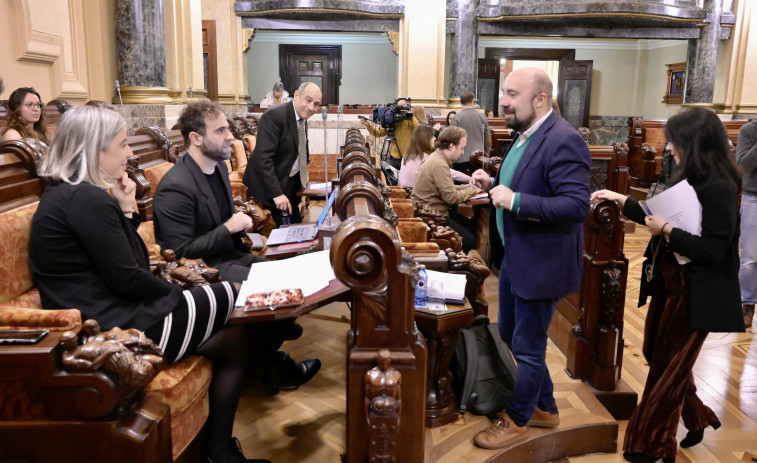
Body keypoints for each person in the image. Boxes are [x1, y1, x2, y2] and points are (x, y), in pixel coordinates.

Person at [28, 105, 272, 463]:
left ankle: (218, 449)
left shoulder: (74, 193)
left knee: (234, 339)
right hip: (109, 326)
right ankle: (225, 441)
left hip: (112, 312)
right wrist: (177, 293)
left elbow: (130, 266)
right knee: (232, 293)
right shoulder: (85, 199)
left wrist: (127, 208)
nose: (130, 154)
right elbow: (130, 274)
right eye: (123, 144)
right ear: (95, 149)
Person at [593, 106, 743, 463]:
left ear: (693, 142)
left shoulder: (720, 186)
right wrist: (623, 201)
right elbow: (664, 213)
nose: (668, 147)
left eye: (674, 140)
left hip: (699, 292)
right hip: (671, 284)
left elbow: (712, 249)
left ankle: (650, 444)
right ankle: (697, 417)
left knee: (669, 366)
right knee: (656, 355)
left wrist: (668, 231)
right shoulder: (692, 174)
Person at [154, 100, 320, 395]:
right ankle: (272, 365)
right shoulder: (175, 186)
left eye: (228, 128)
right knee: (276, 295)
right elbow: (180, 252)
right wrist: (229, 227)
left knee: (295, 283)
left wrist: (241, 226)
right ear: (196, 138)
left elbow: (227, 220)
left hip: (232, 255)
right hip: (206, 270)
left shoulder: (216, 168)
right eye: (220, 130)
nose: (230, 136)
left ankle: (261, 361)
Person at [470, 67, 590, 450]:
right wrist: (493, 182)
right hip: (517, 260)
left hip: (542, 263)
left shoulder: (563, 140)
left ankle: (520, 418)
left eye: (511, 94)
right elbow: (522, 179)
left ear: (540, 99)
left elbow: (575, 205)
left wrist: (516, 200)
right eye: (503, 92)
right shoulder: (525, 134)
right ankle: (547, 406)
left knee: (528, 346)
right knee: (509, 333)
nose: (502, 101)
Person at [243, 82, 322, 226]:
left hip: (289, 181)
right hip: (269, 185)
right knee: (285, 232)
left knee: (297, 225)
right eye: (308, 100)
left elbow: (298, 152)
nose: (311, 108)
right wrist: (277, 194)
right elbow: (263, 159)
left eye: (316, 104)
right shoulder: (274, 115)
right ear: (297, 95)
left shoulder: (301, 118)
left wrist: (304, 184)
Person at [410, 126, 478, 253]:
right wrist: (474, 190)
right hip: (433, 218)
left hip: (433, 212)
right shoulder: (439, 164)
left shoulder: (437, 158)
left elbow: (448, 188)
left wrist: (470, 186)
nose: (463, 153)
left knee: (473, 227)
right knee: (469, 240)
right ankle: (453, 267)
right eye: (462, 148)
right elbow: (451, 197)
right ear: (451, 146)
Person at [398, 125, 471, 188]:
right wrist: (470, 179)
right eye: (432, 136)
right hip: (412, 194)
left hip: (403, 191)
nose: (434, 138)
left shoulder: (407, 155)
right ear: (425, 139)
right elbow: (449, 172)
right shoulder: (424, 157)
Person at [360, 97, 420, 171]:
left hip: (408, 157)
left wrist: (410, 117)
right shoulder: (392, 119)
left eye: (404, 107)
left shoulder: (410, 119)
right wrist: (368, 125)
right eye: (399, 107)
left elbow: (419, 131)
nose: (402, 110)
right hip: (394, 157)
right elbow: (378, 133)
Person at [736, 119, 757, 328]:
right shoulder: (749, 130)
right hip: (754, 199)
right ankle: (748, 304)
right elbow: (743, 165)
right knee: (750, 258)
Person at [451, 91, 491, 176]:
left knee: (459, 183)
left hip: (460, 157)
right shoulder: (482, 116)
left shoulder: (456, 117)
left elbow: (452, 138)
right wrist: (486, 153)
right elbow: (487, 138)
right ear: (472, 102)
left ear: (461, 102)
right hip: (479, 156)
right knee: (478, 183)